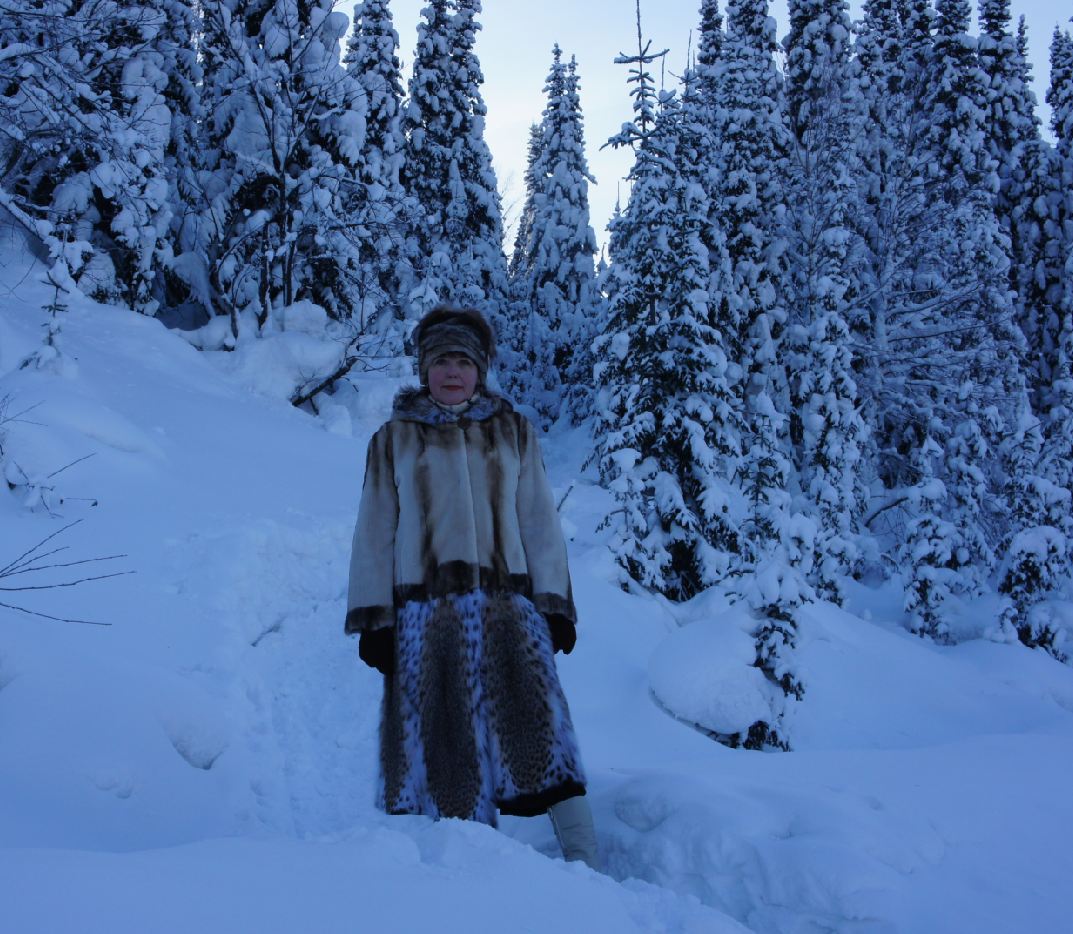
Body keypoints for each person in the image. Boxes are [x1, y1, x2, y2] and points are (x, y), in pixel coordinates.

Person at [346, 305, 597, 866]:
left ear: (480, 369)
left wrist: (555, 605)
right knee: (448, 758)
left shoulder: (514, 432)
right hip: (427, 623)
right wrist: (374, 619)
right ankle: (467, 876)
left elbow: (539, 522)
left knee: (543, 740)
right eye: (441, 362)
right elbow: (374, 534)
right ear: (424, 370)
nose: (452, 372)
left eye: (463, 361)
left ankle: (585, 862)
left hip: (509, 612)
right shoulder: (393, 440)